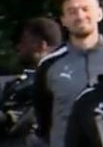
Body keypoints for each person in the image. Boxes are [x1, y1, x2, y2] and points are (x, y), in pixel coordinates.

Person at [34, 0, 103, 147]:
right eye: (72, 11)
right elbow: (44, 122)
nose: (80, 16)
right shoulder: (49, 65)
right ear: (63, 20)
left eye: (85, 9)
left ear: (99, 13)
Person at [0, 18, 62, 146]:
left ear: (41, 46)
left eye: (24, 42)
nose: (19, 47)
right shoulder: (22, 81)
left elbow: (19, 122)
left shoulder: (51, 82)